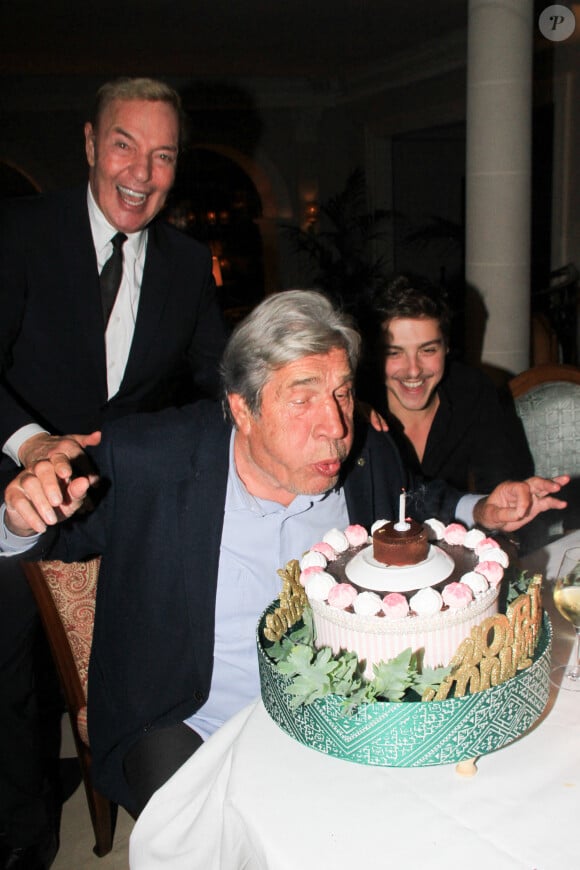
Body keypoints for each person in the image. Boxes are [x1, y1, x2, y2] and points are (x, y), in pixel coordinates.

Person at [1, 290, 567, 820]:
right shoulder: (153, 459)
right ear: (243, 411)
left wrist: (480, 509)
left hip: (343, 708)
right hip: (190, 717)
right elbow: (56, 534)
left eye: (343, 392)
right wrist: (21, 516)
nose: (335, 428)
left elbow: (412, 502)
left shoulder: (366, 452)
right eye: (302, 399)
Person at [0, 77, 226, 867]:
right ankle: (25, 843)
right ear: (92, 144)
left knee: (142, 667)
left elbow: (218, 379)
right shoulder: (20, 231)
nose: (142, 171)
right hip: (17, 496)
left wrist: (331, 401)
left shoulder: (190, 264)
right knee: (11, 689)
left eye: (163, 155)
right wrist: (30, 443)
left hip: (124, 511)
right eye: (125, 144)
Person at [359, 274, 534, 493]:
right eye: (394, 353)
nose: (413, 370)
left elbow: (498, 484)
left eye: (428, 350)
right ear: (375, 354)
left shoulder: (471, 390)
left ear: (447, 347)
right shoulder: (354, 403)